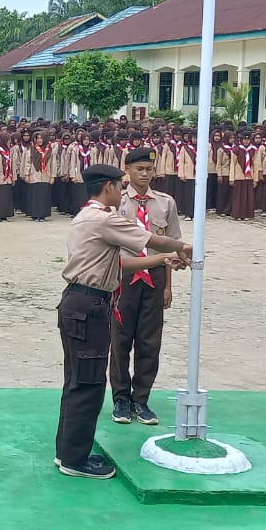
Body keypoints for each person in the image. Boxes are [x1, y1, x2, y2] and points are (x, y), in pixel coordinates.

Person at [55, 164, 190, 479]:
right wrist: (184, 247)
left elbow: (118, 264)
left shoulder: (87, 217)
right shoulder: (105, 218)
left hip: (79, 301)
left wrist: (160, 262)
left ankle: (67, 452)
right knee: (88, 384)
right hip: (89, 306)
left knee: (76, 381)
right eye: (120, 185)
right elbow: (152, 239)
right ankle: (76, 460)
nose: (122, 191)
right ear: (108, 188)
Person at [110, 148, 182, 425]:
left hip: (154, 277)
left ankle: (141, 399)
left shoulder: (165, 203)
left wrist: (168, 287)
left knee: (150, 340)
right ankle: (121, 398)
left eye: (149, 169)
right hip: (124, 277)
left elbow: (173, 246)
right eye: (139, 169)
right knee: (120, 338)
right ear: (127, 169)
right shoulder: (118, 203)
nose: (144, 174)